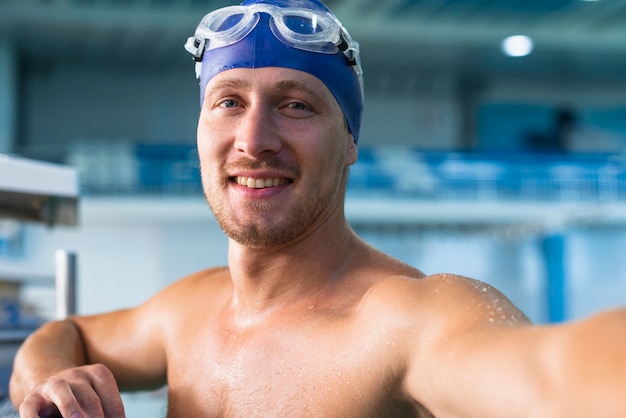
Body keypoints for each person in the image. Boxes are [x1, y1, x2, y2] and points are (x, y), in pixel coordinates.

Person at [9, 0, 626, 416]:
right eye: (228, 102)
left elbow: (553, 377)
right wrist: (46, 378)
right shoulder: (185, 310)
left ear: (350, 139)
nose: (254, 140)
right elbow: (63, 334)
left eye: (297, 104)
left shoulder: (405, 322)